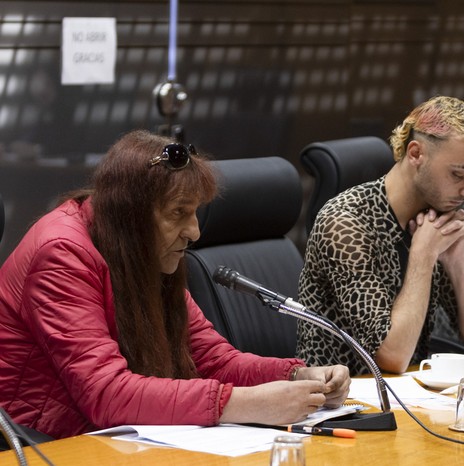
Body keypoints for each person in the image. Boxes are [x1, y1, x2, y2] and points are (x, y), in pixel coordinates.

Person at [0, 130, 350, 440]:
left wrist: (296, 376)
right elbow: (106, 393)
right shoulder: (62, 253)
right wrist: (243, 404)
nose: (194, 231)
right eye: (178, 213)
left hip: (110, 438)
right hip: (43, 443)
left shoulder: (137, 246)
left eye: (195, 212)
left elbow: (213, 360)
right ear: (132, 214)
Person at [296, 95, 464, 376]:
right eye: (458, 175)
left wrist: (457, 261)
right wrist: (423, 255)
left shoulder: (432, 218)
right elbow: (392, 356)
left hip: (412, 397)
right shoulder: (345, 222)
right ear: (416, 154)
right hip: (343, 401)